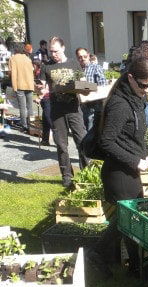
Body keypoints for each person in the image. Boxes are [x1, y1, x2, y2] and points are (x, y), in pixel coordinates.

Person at [86, 56, 148, 278]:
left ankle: (136, 267)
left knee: (130, 221)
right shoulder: (120, 104)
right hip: (119, 174)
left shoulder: (135, 99)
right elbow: (106, 142)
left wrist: (144, 154)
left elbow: (132, 136)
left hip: (128, 170)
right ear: (130, 78)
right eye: (143, 84)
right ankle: (96, 254)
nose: (146, 89)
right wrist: (136, 160)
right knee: (127, 220)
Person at [40, 36, 89, 188]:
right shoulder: (46, 66)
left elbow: (84, 85)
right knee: (61, 145)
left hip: (74, 108)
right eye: (50, 51)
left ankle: (87, 173)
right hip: (56, 110)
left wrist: (81, 89)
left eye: (55, 51)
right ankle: (67, 177)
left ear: (63, 48)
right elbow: (42, 86)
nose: (52, 54)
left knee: (82, 140)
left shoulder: (74, 64)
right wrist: (40, 89)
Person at [75, 47, 107, 131]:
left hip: (93, 104)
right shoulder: (76, 70)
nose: (82, 59)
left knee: (90, 130)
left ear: (88, 56)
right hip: (80, 104)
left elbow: (103, 85)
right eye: (80, 57)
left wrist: (85, 86)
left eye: (84, 56)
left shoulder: (96, 67)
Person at [8, 43, 34, 133]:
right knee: (30, 106)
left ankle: (24, 126)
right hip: (29, 84)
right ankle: (32, 125)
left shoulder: (13, 59)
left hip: (19, 85)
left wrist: (14, 86)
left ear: (15, 50)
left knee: (22, 107)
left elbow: (11, 73)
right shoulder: (27, 58)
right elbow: (32, 71)